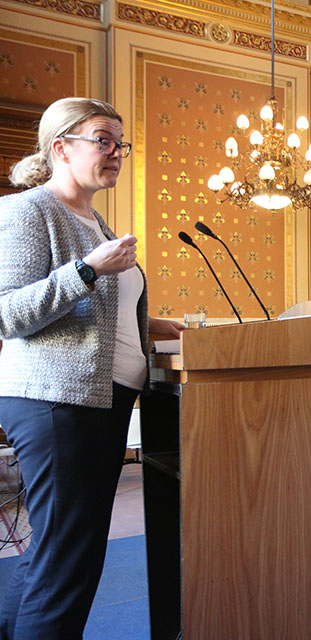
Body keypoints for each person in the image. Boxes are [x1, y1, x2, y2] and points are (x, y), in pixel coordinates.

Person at [0, 97, 185, 638]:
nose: (116, 152)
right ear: (60, 147)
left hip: (100, 402)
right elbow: (9, 312)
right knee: (69, 563)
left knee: (59, 552)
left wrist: (156, 324)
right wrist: (87, 268)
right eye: (103, 139)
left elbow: (93, 312)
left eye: (120, 143)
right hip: (57, 401)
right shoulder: (28, 210)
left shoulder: (95, 221)